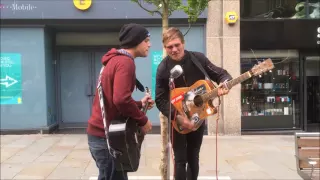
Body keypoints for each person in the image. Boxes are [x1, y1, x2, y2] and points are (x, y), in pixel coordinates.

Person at [155, 27, 233, 180]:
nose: (174, 49)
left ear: (183, 43)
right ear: (165, 48)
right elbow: (160, 99)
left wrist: (225, 82)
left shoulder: (198, 59)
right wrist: (176, 116)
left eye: (177, 45)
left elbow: (221, 74)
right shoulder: (163, 68)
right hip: (177, 120)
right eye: (169, 47)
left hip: (198, 115)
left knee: (193, 156)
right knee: (180, 159)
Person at [86, 23, 154, 180]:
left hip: (103, 135)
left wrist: (139, 104)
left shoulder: (115, 60)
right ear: (136, 40)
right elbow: (121, 99)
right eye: (146, 40)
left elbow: (115, 99)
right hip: (107, 138)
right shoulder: (125, 62)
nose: (149, 44)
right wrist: (143, 120)